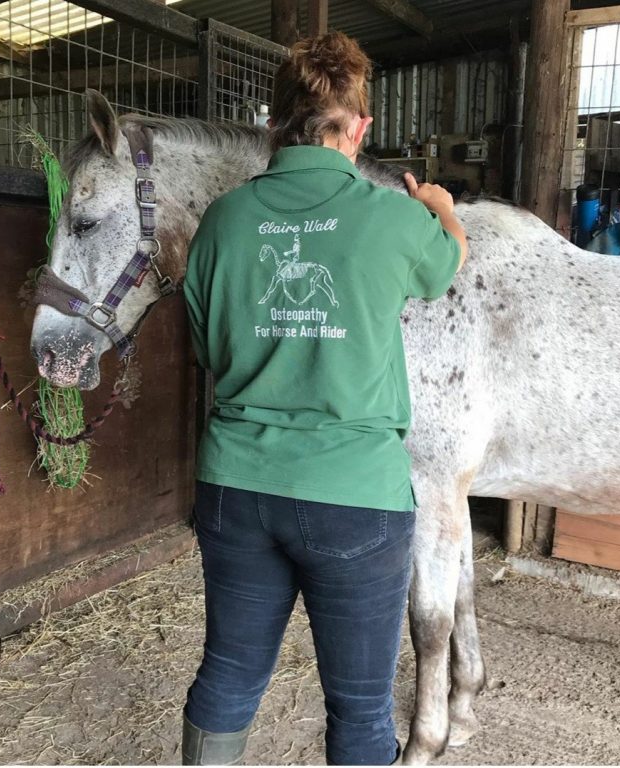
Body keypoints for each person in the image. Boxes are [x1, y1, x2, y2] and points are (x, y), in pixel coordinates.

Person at [182, 31, 467, 766]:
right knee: (361, 705)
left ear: (273, 124)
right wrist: (441, 209)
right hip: (354, 496)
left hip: (237, 486)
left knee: (228, 673)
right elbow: (443, 271)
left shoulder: (222, 220)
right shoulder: (394, 218)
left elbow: (209, 352)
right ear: (360, 128)